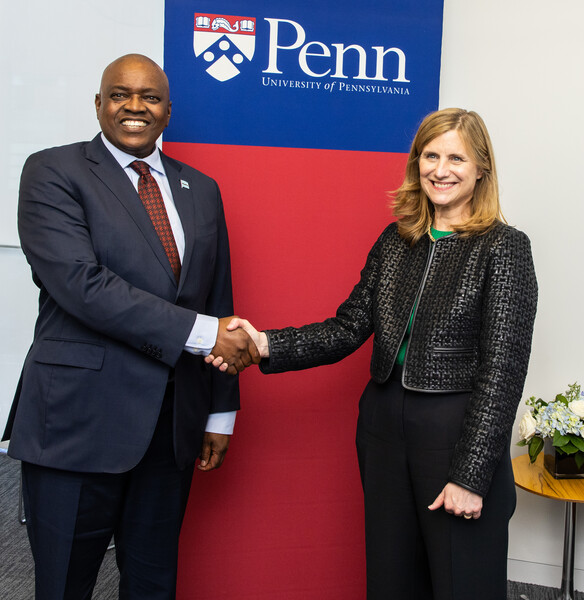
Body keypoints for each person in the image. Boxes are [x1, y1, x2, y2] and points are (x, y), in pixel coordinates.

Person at [209, 108, 538, 599]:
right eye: (430, 155)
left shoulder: (505, 248)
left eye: (456, 158)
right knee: (391, 578)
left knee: (462, 581)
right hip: (383, 425)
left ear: (481, 168)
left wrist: (470, 476)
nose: (440, 169)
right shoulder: (396, 240)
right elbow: (347, 328)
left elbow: (504, 370)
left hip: (455, 428)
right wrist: (264, 345)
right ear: (416, 162)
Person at [3, 54, 259, 600]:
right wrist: (204, 333)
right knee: (64, 583)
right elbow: (81, 284)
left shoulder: (202, 189)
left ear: (169, 110)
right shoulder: (53, 171)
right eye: (120, 95)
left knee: (153, 582)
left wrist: (220, 410)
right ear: (99, 104)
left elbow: (219, 299)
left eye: (150, 97)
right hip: (77, 422)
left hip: (171, 429)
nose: (135, 107)